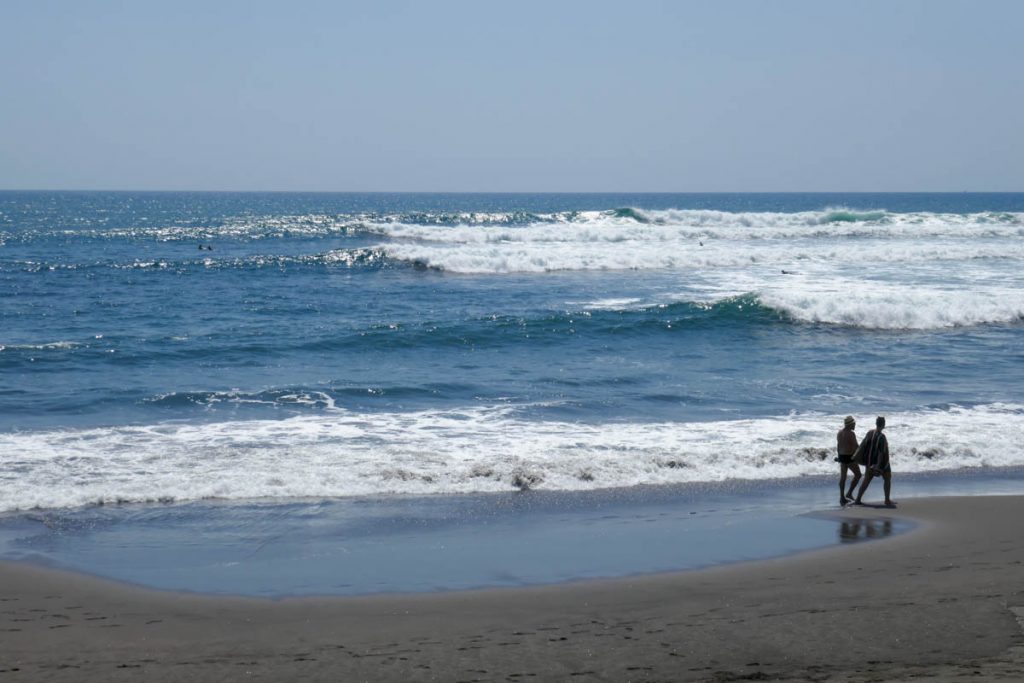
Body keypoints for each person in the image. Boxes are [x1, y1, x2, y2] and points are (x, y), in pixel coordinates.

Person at [853, 416, 896, 507]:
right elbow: (881, 453)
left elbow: (862, 446)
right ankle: (887, 500)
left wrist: (858, 458)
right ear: (883, 425)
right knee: (887, 478)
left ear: (876, 423)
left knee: (866, 481)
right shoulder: (882, 437)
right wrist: (878, 465)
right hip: (881, 464)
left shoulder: (870, 433)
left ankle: (857, 499)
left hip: (869, 461)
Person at [836, 415, 862, 506]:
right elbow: (856, 447)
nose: (855, 425)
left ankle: (842, 497)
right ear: (850, 424)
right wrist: (863, 455)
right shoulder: (851, 434)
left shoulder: (839, 433)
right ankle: (849, 493)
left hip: (842, 457)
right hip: (850, 458)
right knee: (858, 475)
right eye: (854, 423)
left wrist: (839, 457)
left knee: (843, 478)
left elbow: (838, 446)